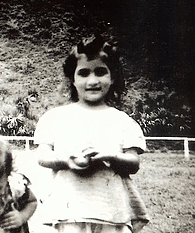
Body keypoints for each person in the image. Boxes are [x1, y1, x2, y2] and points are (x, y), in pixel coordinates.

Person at [34, 35, 149, 233]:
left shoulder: (122, 121)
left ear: (112, 77)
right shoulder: (55, 117)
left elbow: (133, 163)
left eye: (101, 72)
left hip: (110, 212)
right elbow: (43, 156)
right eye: (84, 73)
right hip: (68, 211)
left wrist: (110, 156)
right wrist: (65, 160)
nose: (93, 80)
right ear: (73, 79)